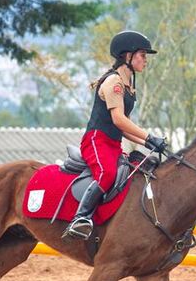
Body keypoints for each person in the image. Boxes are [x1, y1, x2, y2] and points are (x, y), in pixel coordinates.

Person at [61, 30, 167, 240]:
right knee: (107, 174)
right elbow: (119, 120)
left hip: (113, 143)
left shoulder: (129, 86)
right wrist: (148, 137)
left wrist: (150, 144)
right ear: (127, 56)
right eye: (142, 55)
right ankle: (80, 218)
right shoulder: (114, 83)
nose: (145, 60)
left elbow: (124, 129)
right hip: (96, 141)